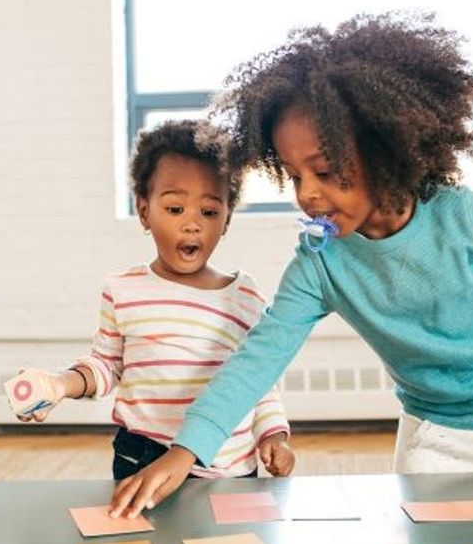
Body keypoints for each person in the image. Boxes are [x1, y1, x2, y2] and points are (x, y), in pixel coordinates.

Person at [110, 12, 473, 517]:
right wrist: (186, 451)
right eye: (293, 176)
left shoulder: (465, 215)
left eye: (323, 170)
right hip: (433, 441)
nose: (308, 194)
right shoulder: (321, 264)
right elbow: (259, 358)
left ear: (384, 150)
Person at [15, 119, 295, 480]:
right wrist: (59, 384)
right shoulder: (123, 289)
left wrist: (275, 434)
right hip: (142, 457)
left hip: (228, 467)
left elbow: (258, 378)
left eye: (209, 212)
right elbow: (106, 365)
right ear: (145, 211)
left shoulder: (244, 296)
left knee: (228, 539)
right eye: (175, 209)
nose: (192, 224)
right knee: (139, 536)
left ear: (226, 219)